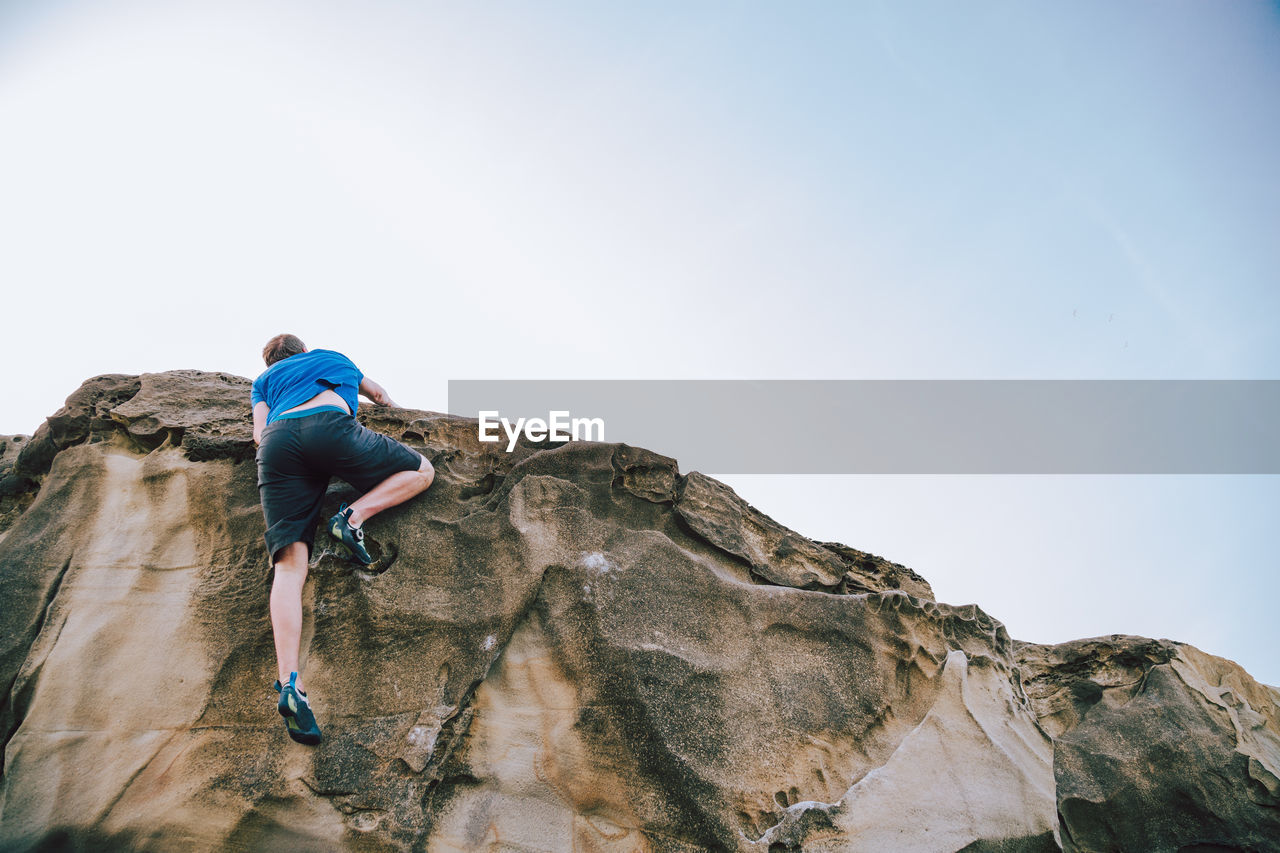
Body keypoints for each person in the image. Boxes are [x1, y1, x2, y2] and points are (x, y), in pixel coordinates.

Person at [251, 333, 434, 745]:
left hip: (278, 443)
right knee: (422, 470)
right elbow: (380, 396)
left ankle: (289, 685)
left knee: (289, 567)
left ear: (270, 364)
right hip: (331, 428)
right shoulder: (334, 357)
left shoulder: (264, 383)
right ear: (302, 351)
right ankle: (353, 517)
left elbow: (258, 434)